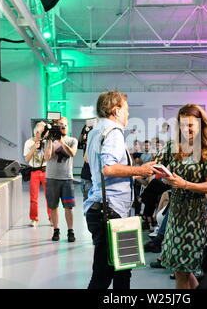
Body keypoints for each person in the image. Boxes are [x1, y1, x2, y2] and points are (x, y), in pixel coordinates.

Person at [83, 90, 159, 289]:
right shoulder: (114, 132)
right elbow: (108, 168)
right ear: (116, 111)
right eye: (126, 109)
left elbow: (95, 163)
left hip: (106, 209)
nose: (128, 114)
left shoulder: (95, 131)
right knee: (104, 275)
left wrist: (134, 173)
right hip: (112, 212)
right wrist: (140, 169)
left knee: (123, 271)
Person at [155, 104, 207, 289]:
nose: (186, 129)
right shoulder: (172, 147)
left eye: (190, 125)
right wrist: (164, 177)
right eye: (182, 125)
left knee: (181, 271)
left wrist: (185, 184)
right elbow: (156, 168)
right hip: (175, 215)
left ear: (201, 125)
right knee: (182, 269)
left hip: (194, 216)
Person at [44, 116, 78, 242]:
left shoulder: (72, 140)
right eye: (60, 125)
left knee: (68, 207)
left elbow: (72, 153)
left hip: (67, 178)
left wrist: (61, 141)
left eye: (64, 125)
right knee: (53, 206)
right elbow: (47, 157)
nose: (62, 127)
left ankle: (70, 231)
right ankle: (56, 230)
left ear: (68, 126)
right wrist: (49, 140)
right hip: (52, 177)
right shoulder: (50, 141)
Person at [23, 121, 50, 227]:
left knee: (49, 196)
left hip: (45, 170)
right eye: (42, 131)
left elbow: (49, 157)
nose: (44, 134)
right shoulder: (28, 143)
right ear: (36, 132)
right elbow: (26, 159)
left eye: (45, 131)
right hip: (34, 170)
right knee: (33, 197)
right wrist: (34, 148)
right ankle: (34, 219)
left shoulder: (47, 142)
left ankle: (51, 217)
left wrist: (46, 143)